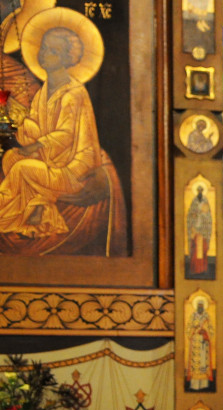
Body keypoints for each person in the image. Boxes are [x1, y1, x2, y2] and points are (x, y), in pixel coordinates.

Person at [0, 11, 127, 256]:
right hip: (51, 158)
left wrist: (36, 145)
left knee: (22, 168)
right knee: (11, 158)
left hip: (73, 167)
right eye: (44, 48)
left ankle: (12, 214)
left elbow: (66, 134)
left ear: (67, 59)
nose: (44, 54)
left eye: (53, 51)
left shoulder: (73, 93)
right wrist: (18, 119)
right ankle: (35, 209)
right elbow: (34, 129)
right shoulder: (44, 91)